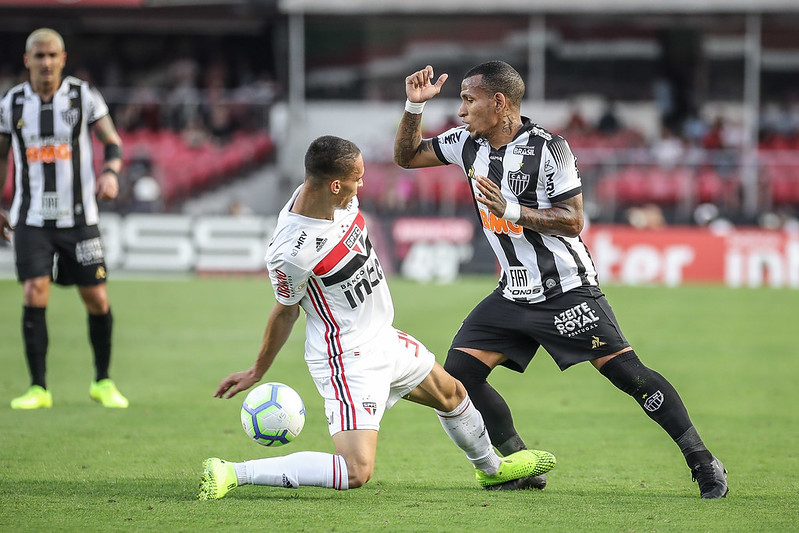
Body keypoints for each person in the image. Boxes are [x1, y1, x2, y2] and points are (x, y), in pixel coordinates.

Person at [393, 62, 728, 499]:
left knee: (627, 374)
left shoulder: (550, 148)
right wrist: (413, 107)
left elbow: (573, 221)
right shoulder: (465, 143)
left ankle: (704, 462)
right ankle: (519, 464)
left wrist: (513, 211)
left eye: (469, 100)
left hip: (565, 288)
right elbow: (407, 157)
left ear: (499, 102)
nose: (461, 111)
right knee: (459, 376)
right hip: (512, 293)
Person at [197, 135, 556, 500]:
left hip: (383, 337)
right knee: (356, 470)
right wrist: (257, 370)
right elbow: (285, 312)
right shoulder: (292, 252)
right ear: (335, 184)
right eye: (357, 178)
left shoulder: (336, 200)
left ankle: (492, 471)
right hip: (348, 356)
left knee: (452, 394)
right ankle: (233, 472)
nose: (362, 184)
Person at [0, 28, 128, 409]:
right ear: (27, 60)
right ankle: (38, 388)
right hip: (31, 217)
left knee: (97, 298)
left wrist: (111, 174)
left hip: (79, 218)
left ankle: (102, 381)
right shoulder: (11, 103)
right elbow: (1, 156)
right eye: (39, 56)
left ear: (63, 59)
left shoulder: (82, 96)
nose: (46, 63)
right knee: (34, 291)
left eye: (52, 55)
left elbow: (112, 142)